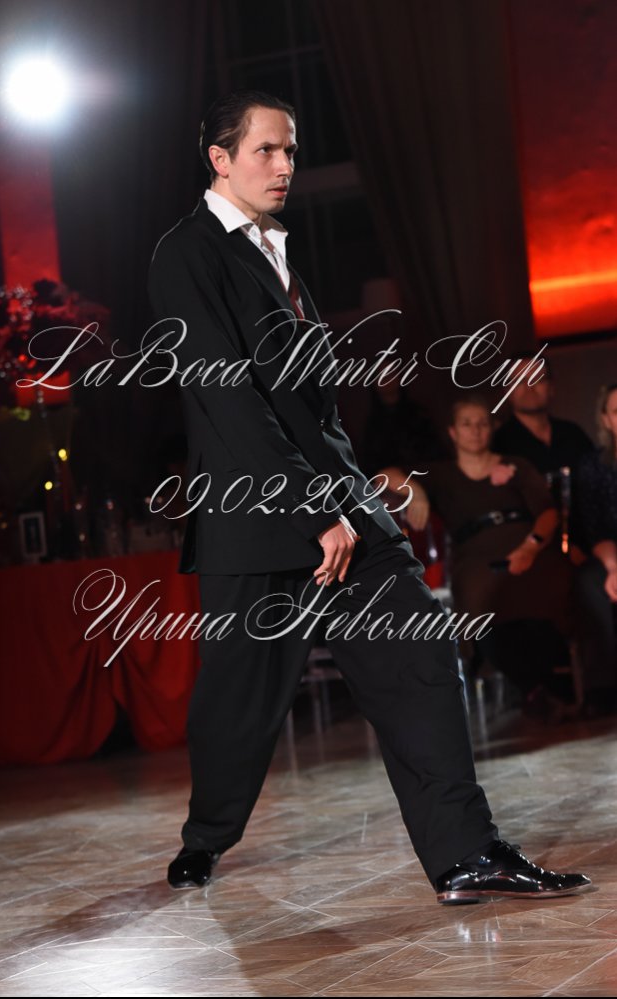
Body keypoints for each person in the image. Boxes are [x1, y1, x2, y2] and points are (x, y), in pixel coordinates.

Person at [147, 90, 590, 903]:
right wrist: (313, 506)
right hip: (257, 517)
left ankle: (465, 852)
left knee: (420, 657)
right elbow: (228, 399)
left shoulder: (279, 254)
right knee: (239, 706)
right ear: (219, 158)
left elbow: (314, 411)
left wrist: (352, 499)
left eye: (291, 149)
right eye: (267, 149)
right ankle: (206, 836)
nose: (285, 164)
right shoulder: (185, 254)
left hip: (343, 504)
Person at [381, 397, 576, 718]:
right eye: (467, 424)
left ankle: (563, 687)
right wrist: (417, 490)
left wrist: (531, 546)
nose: (475, 430)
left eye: (483, 423)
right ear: (453, 432)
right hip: (476, 558)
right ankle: (537, 691)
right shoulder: (441, 473)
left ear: (493, 428)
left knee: (552, 586)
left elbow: (548, 513)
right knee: (480, 599)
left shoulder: (516, 465)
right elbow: (383, 476)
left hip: (529, 546)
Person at [492, 354, 593, 553]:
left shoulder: (573, 434)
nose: (529, 387)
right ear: (507, 391)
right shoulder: (498, 444)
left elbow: (596, 490)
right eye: (519, 381)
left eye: (536, 379)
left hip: (588, 545)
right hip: (531, 550)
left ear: (551, 387)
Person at [574, 383, 617, 715]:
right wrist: (614, 568)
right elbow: (594, 530)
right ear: (605, 419)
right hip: (609, 553)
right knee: (592, 582)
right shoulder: (593, 467)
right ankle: (608, 684)